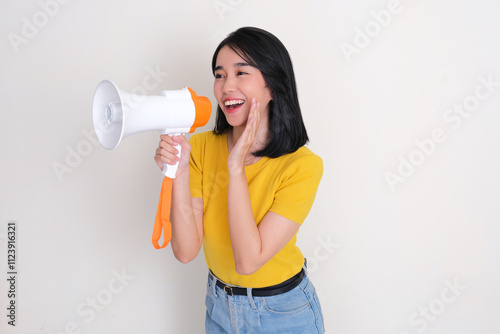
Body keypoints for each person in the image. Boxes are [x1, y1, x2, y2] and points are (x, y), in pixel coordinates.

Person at [154, 26, 325, 333]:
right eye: (220, 75)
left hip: (282, 312)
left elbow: (248, 261)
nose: (226, 86)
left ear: (272, 86)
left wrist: (236, 167)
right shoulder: (203, 148)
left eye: (241, 73)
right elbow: (185, 250)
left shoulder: (302, 167)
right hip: (219, 306)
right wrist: (178, 172)